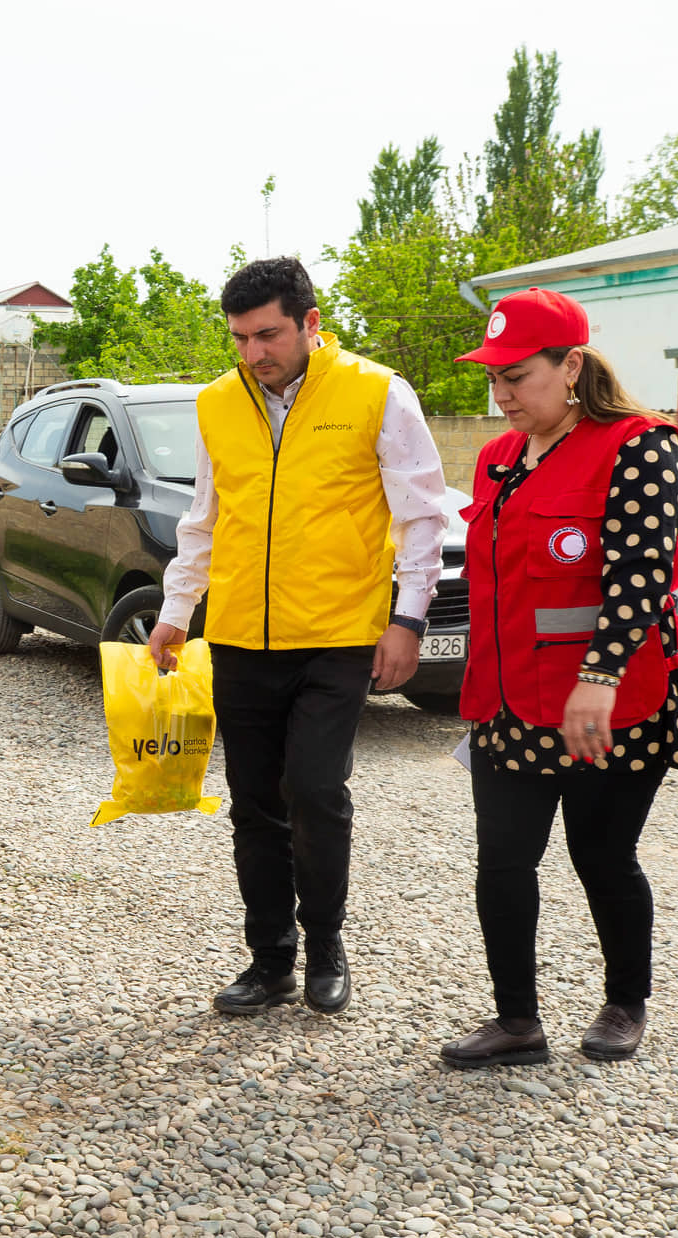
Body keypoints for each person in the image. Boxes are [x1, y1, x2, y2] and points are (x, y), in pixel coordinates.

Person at [147, 257, 448, 1020]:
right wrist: (176, 609)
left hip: (338, 635)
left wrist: (407, 619)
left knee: (314, 790)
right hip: (244, 636)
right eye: (241, 338)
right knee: (254, 804)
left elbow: (421, 515)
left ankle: (326, 944)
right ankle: (270, 958)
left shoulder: (378, 391)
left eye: (269, 334)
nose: (254, 353)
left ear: (312, 323)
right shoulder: (217, 403)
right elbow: (205, 517)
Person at [439, 288, 678, 1069]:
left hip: (620, 701)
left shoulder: (642, 445)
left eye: (517, 376)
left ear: (572, 366)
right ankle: (516, 1022)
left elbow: (642, 573)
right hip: (512, 697)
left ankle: (626, 1001)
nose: (502, 395)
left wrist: (600, 676)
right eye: (494, 379)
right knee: (503, 862)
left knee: (602, 856)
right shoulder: (496, 459)